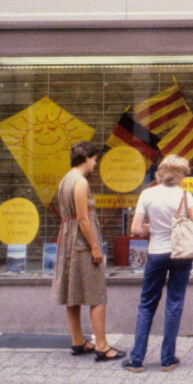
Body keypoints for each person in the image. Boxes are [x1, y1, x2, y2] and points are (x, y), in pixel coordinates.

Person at [122, 154, 193, 372]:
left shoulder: (147, 194)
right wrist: (177, 225)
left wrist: (155, 227)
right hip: (180, 253)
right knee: (174, 303)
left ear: (161, 172)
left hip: (157, 252)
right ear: (180, 175)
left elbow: (135, 228)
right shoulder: (185, 196)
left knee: (147, 304)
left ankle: (136, 359)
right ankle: (167, 358)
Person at [51, 141, 124, 362]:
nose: (95, 163)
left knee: (72, 294)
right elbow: (83, 218)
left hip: (68, 239)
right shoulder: (80, 182)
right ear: (86, 158)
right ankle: (102, 346)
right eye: (94, 159)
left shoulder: (66, 179)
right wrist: (95, 247)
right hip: (81, 242)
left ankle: (78, 340)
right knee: (97, 294)